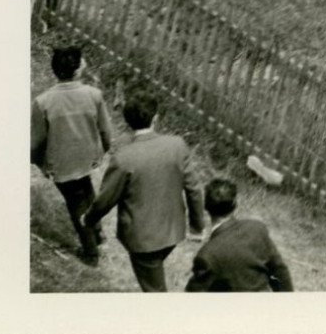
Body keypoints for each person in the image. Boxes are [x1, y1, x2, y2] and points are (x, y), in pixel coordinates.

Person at [84, 90, 206, 292]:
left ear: (127, 122)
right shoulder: (177, 145)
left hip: (143, 242)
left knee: (154, 291)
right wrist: (197, 226)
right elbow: (194, 188)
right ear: (155, 118)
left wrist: (88, 220)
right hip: (173, 231)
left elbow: (105, 200)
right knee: (155, 274)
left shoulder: (124, 158)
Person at [31, 44, 114, 263]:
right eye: (83, 60)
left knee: (77, 203)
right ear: (77, 70)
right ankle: (96, 241)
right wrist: (103, 150)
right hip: (88, 157)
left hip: (62, 164)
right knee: (87, 193)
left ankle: (91, 250)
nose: (85, 63)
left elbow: (36, 143)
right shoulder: (94, 95)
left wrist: (41, 164)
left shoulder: (43, 102)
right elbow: (106, 131)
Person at [185, 177, 294, 292]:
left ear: (206, 207)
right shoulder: (257, 229)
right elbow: (279, 271)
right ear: (235, 203)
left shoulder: (207, 256)